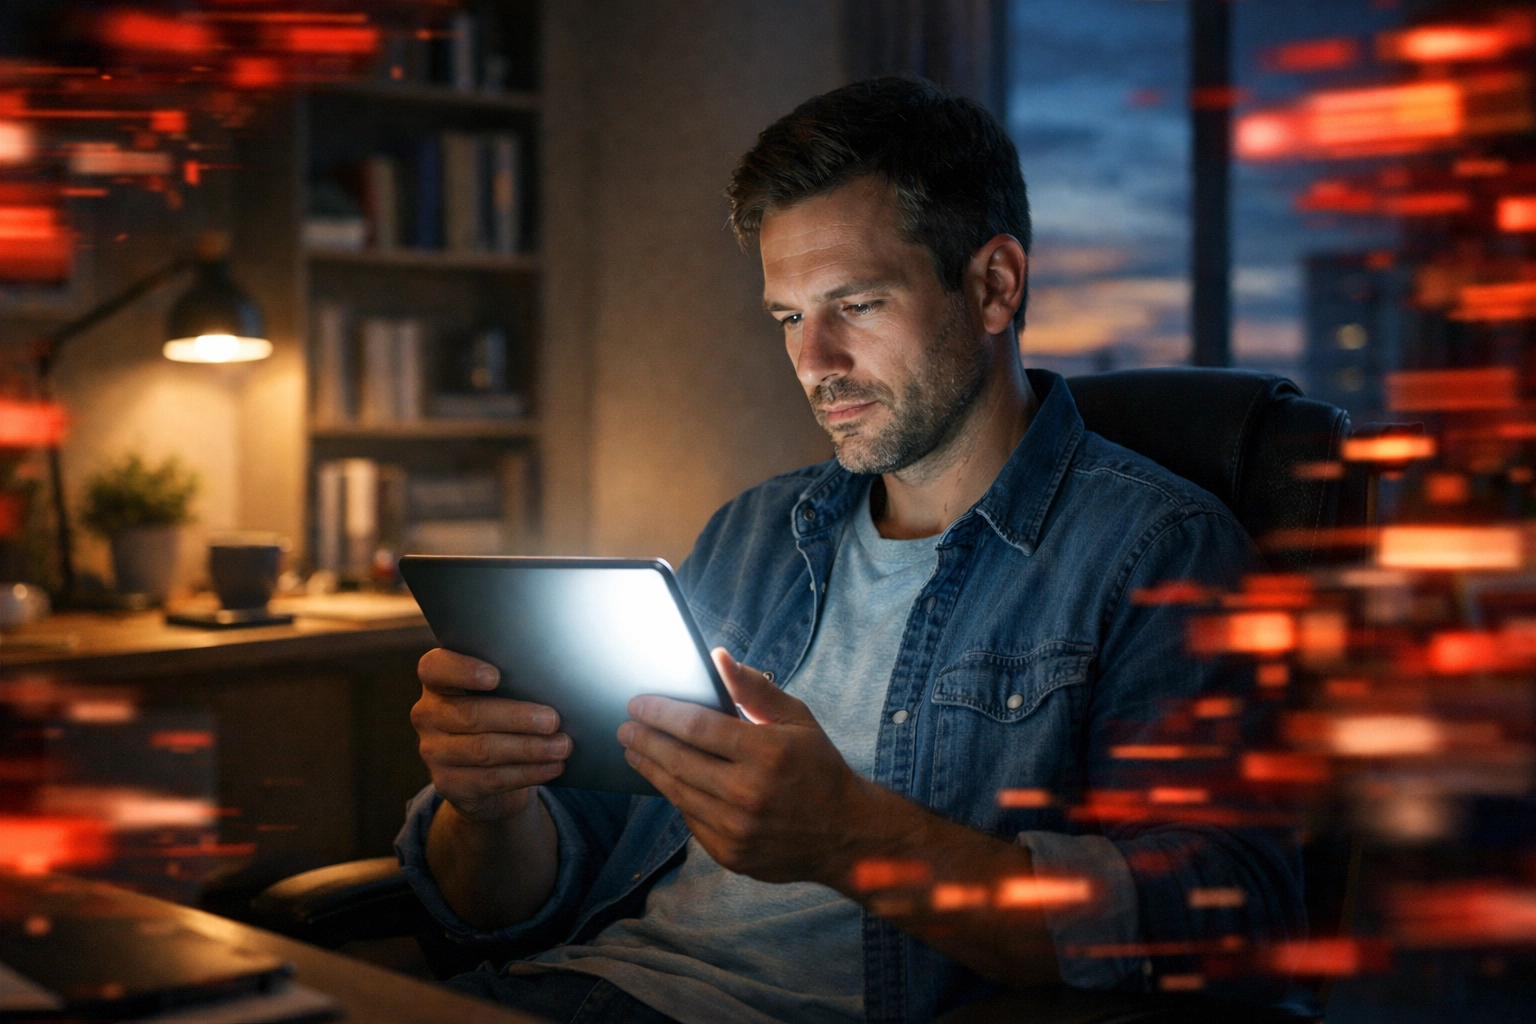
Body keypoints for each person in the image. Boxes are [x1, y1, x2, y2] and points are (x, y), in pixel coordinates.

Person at [397, 77, 1305, 1024]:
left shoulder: (1155, 550)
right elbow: (512, 903)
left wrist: (852, 840)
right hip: (569, 990)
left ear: (994, 285)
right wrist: (488, 808)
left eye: (858, 304)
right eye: (789, 317)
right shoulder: (752, 535)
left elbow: (1226, 920)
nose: (814, 363)